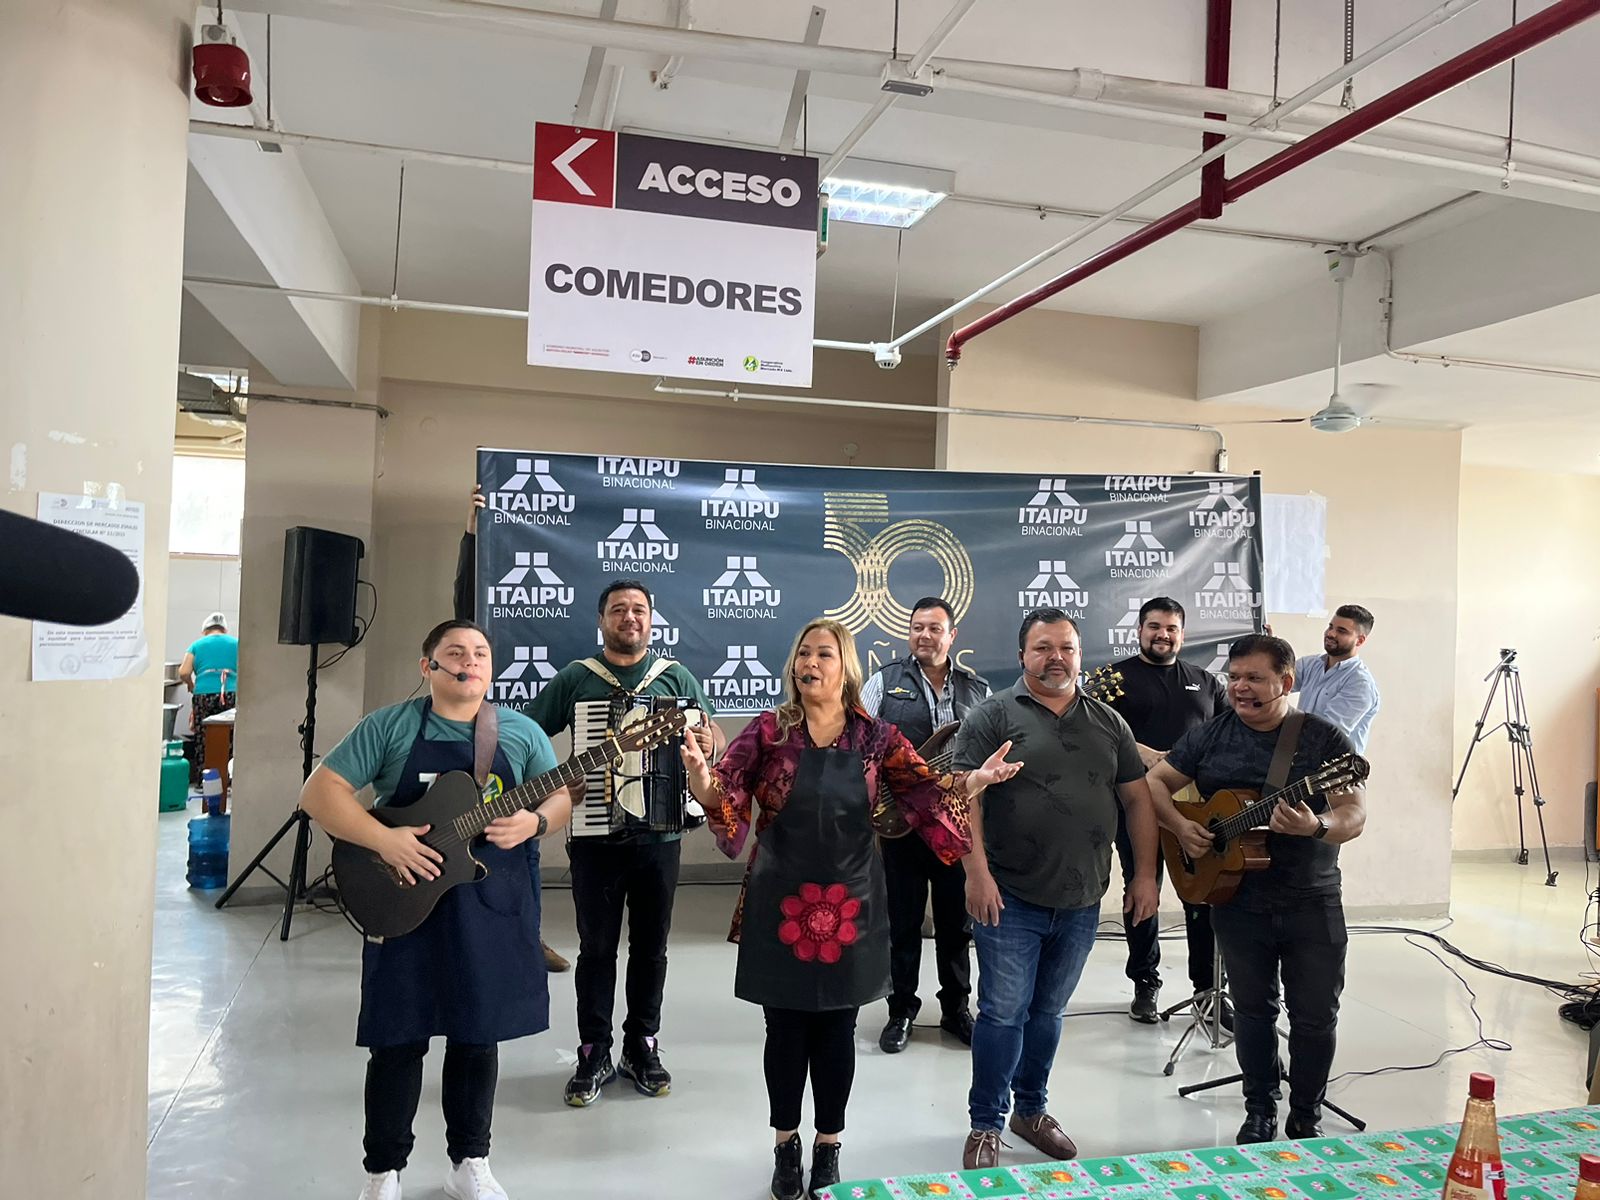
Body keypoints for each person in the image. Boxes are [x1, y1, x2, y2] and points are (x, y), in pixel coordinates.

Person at [681, 617, 1014, 1200]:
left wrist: (974, 782)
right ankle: (785, 1145)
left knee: (836, 1028)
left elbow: (923, 793)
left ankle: (828, 1146)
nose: (811, 662)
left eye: (824, 654)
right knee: (782, 1029)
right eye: (803, 653)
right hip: (779, 898)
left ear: (846, 667)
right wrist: (703, 783)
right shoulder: (767, 732)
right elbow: (725, 795)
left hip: (850, 900)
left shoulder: (876, 737)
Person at [300, 619, 574, 1200]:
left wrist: (536, 820)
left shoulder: (520, 733)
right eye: (455, 652)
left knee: (478, 1035)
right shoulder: (389, 727)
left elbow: (559, 793)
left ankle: (469, 1161)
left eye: (480, 653)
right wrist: (384, 840)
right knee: (397, 1037)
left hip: (489, 904)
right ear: (429, 667)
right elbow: (317, 794)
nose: (470, 661)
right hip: (404, 901)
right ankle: (383, 1170)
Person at [954, 608, 1160, 1170]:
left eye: (1066, 647)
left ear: (1079, 653)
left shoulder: (1108, 723)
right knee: (1002, 1013)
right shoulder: (993, 715)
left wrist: (1144, 874)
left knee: (1048, 1012)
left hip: (1081, 899)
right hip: (1008, 894)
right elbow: (960, 794)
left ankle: (1031, 1110)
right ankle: (985, 1123)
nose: (1056, 658)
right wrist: (976, 873)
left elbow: (1138, 799)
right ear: (1023, 655)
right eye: (1043, 648)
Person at [1145, 634, 1366, 1145]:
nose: (1240, 688)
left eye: (1254, 679)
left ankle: (1305, 1115)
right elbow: (1157, 783)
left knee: (1314, 1015)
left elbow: (1353, 815)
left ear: (1286, 682)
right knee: (1252, 1010)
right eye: (1234, 677)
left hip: (1311, 898)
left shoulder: (1324, 740)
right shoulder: (1212, 734)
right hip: (1237, 901)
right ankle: (1259, 1108)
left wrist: (1315, 826)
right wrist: (1181, 828)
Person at [527, 579, 724, 1107]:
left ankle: (642, 1042)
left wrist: (707, 740)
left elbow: (715, 740)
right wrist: (558, 780)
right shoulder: (576, 678)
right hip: (594, 837)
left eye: (639, 610)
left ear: (651, 619)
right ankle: (594, 1048)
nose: (629, 617)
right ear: (602, 620)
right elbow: (527, 736)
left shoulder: (674, 676)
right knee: (595, 948)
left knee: (652, 947)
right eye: (619, 610)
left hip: (662, 835)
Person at [860, 596, 991, 1053]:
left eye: (935, 628)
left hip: (956, 825)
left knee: (958, 925)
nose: (925, 635)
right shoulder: (883, 682)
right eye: (917, 627)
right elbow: (859, 742)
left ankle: (957, 1009)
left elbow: (993, 751)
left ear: (951, 636)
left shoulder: (978, 690)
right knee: (903, 921)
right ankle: (900, 1011)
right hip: (901, 825)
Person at [454, 484, 573, 975]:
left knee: (522, 834)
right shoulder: (480, 629)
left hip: (526, 734)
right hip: (478, 730)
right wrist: (473, 534)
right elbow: (463, 604)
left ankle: (528, 937)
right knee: (463, 837)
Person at [1104, 597, 1228, 1024]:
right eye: (1154, 626)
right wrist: (1147, 755)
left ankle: (1207, 990)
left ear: (1183, 633)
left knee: (1204, 896)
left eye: (1171, 628)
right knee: (1142, 891)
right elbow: (1099, 733)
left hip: (1197, 811)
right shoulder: (1112, 680)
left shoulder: (1206, 683)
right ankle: (1145, 982)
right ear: (1139, 631)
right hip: (1136, 807)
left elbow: (1228, 737)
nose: (1163, 634)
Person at [1294, 605, 1381, 753]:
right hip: (1303, 758)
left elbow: (1325, 735)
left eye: (1341, 631)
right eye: (1330, 627)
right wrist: (1268, 652)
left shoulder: (1360, 684)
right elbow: (1275, 684)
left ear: (1359, 641)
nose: (1331, 634)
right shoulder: (1309, 664)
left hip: (1334, 771)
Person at [179, 613, 239, 787]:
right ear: (225, 629)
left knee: (204, 736)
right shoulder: (236, 644)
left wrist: (190, 684)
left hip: (203, 694)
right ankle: (227, 780)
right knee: (229, 736)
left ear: (205, 630)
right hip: (230, 693)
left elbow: (183, 672)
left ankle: (204, 781)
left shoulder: (197, 645)